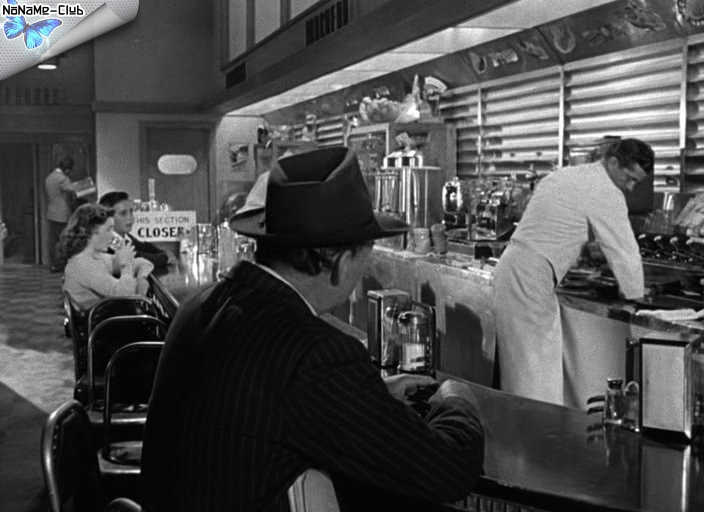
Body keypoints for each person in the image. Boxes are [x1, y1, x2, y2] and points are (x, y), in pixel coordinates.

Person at [142, 147, 485, 512]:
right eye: (365, 255)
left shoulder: (201, 303)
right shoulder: (313, 353)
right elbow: (447, 469)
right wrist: (456, 396)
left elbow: (263, 401)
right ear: (340, 262)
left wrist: (367, 394)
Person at [493, 138, 654, 405]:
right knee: (536, 374)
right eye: (629, 178)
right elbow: (624, 250)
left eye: (636, 182)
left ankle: (524, 427)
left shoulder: (567, 175)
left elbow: (554, 225)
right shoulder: (605, 190)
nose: (630, 187)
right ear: (613, 162)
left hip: (512, 266)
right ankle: (540, 429)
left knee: (520, 370)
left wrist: (585, 249)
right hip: (532, 276)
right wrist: (637, 296)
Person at [59, 203, 154, 311]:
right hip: (104, 319)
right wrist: (126, 265)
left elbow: (144, 263)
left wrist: (141, 278)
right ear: (91, 233)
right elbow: (127, 295)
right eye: (108, 229)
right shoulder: (84, 264)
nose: (113, 235)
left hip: (109, 315)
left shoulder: (96, 257)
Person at [98, 191, 176, 270]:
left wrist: (163, 252)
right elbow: (137, 258)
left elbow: (144, 247)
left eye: (131, 211)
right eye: (123, 213)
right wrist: (165, 258)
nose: (130, 217)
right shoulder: (107, 240)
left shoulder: (125, 236)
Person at [45, 157, 77, 272]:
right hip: (62, 213)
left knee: (53, 240)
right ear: (67, 169)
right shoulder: (63, 179)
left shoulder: (49, 177)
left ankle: (53, 263)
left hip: (51, 212)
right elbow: (74, 190)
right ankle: (62, 264)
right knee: (64, 240)